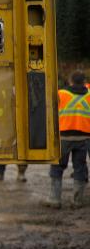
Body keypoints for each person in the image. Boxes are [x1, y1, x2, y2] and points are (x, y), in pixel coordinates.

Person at [43, 70, 90, 209]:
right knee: (80, 168)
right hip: (83, 138)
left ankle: (54, 199)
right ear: (84, 81)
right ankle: (77, 201)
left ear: (70, 81)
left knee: (57, 167)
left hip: (63, 137)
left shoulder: (61, 94)